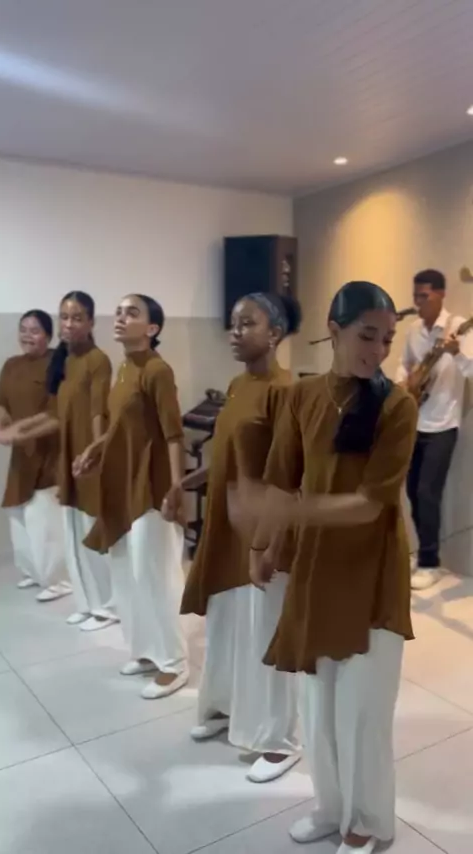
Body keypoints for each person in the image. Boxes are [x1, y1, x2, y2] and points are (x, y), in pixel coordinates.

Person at [231, 282, 417, 854]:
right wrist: (264, 547)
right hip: (315, 569)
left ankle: (369, 822)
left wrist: (296, 511)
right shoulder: (303, 398)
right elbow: (281, 479)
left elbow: (370, 504)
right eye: (367, 336)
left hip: (372, 573)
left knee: (362, 710)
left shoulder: (397, 406)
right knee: (318, 705)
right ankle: (331, 808)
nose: (378, 350)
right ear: (334, 331)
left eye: (386, 339)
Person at [180, 291, 302, 784]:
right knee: (228, 627)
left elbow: (287, 475)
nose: (235, 332)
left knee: (266, 633)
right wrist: (183, 484)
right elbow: (228, 457)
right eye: (233, 323)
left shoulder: (285, 391)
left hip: (262, 532)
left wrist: (269, 542)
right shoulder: (236, 385)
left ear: (275, 333)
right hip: (227, 528)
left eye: (247, 323)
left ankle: (280, 739)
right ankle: (227, 707)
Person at [74, 294, 188, 699]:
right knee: (126, 573)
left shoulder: (157, 370)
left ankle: (174, 663)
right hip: (122, 484)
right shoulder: (124, 368)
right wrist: (97, 447)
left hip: (151, 488)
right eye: (119, 312)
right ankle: (146, 651)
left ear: (152, 328)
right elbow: (122, 425)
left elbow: (174, 434)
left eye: (132, 313)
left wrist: (176, 487)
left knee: (152, 574)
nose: (121, 318)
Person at [0, 291, 116, 631]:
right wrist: (18, 430)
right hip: (68, 457)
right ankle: (87, 603)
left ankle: (108, 608)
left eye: (77, 317)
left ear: (90, 322)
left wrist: (94, 451)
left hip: (87, 459)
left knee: (93, 534)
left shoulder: (97, 360)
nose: (69, 324)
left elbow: (99, 412)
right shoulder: (66, 361)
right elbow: (56, 413)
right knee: (73, 535)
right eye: (64, 317)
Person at [396, 269, 473, 590]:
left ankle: (431, 562)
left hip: (443, 424)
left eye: (424, 296)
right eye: (415, 296)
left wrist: (457, 354)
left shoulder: (459, 328)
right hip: (415, 421)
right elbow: (404, 363)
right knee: (413, 491)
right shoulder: (413, 329)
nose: (418, 302)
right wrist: (405, 382)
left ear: (440, 295)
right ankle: (426, 553)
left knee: (428, 492)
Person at [0, 310, 71, 602]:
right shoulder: (11, 365)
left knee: (44, 517)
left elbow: (56, 413)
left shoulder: (56, 363)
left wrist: (18, 432)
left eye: (35, 330)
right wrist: (2, 424)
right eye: (23, 329)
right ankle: (34, 571)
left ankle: (59, 579)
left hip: (48, 451)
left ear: (48, 336)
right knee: (18, 512)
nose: (27, 336)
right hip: (21, 455)